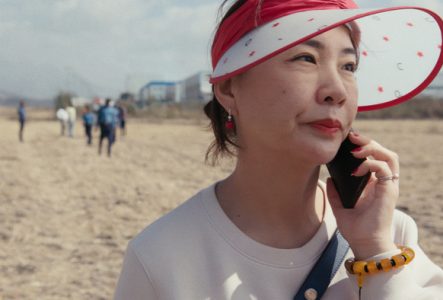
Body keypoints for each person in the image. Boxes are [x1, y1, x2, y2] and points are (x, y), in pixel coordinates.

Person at [114, 1, 443, 299]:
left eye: (349, 66)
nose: (337, 91)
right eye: (306, 58)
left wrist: (375, 253)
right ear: (229, 87)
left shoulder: (390, 232)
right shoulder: (161, 258)